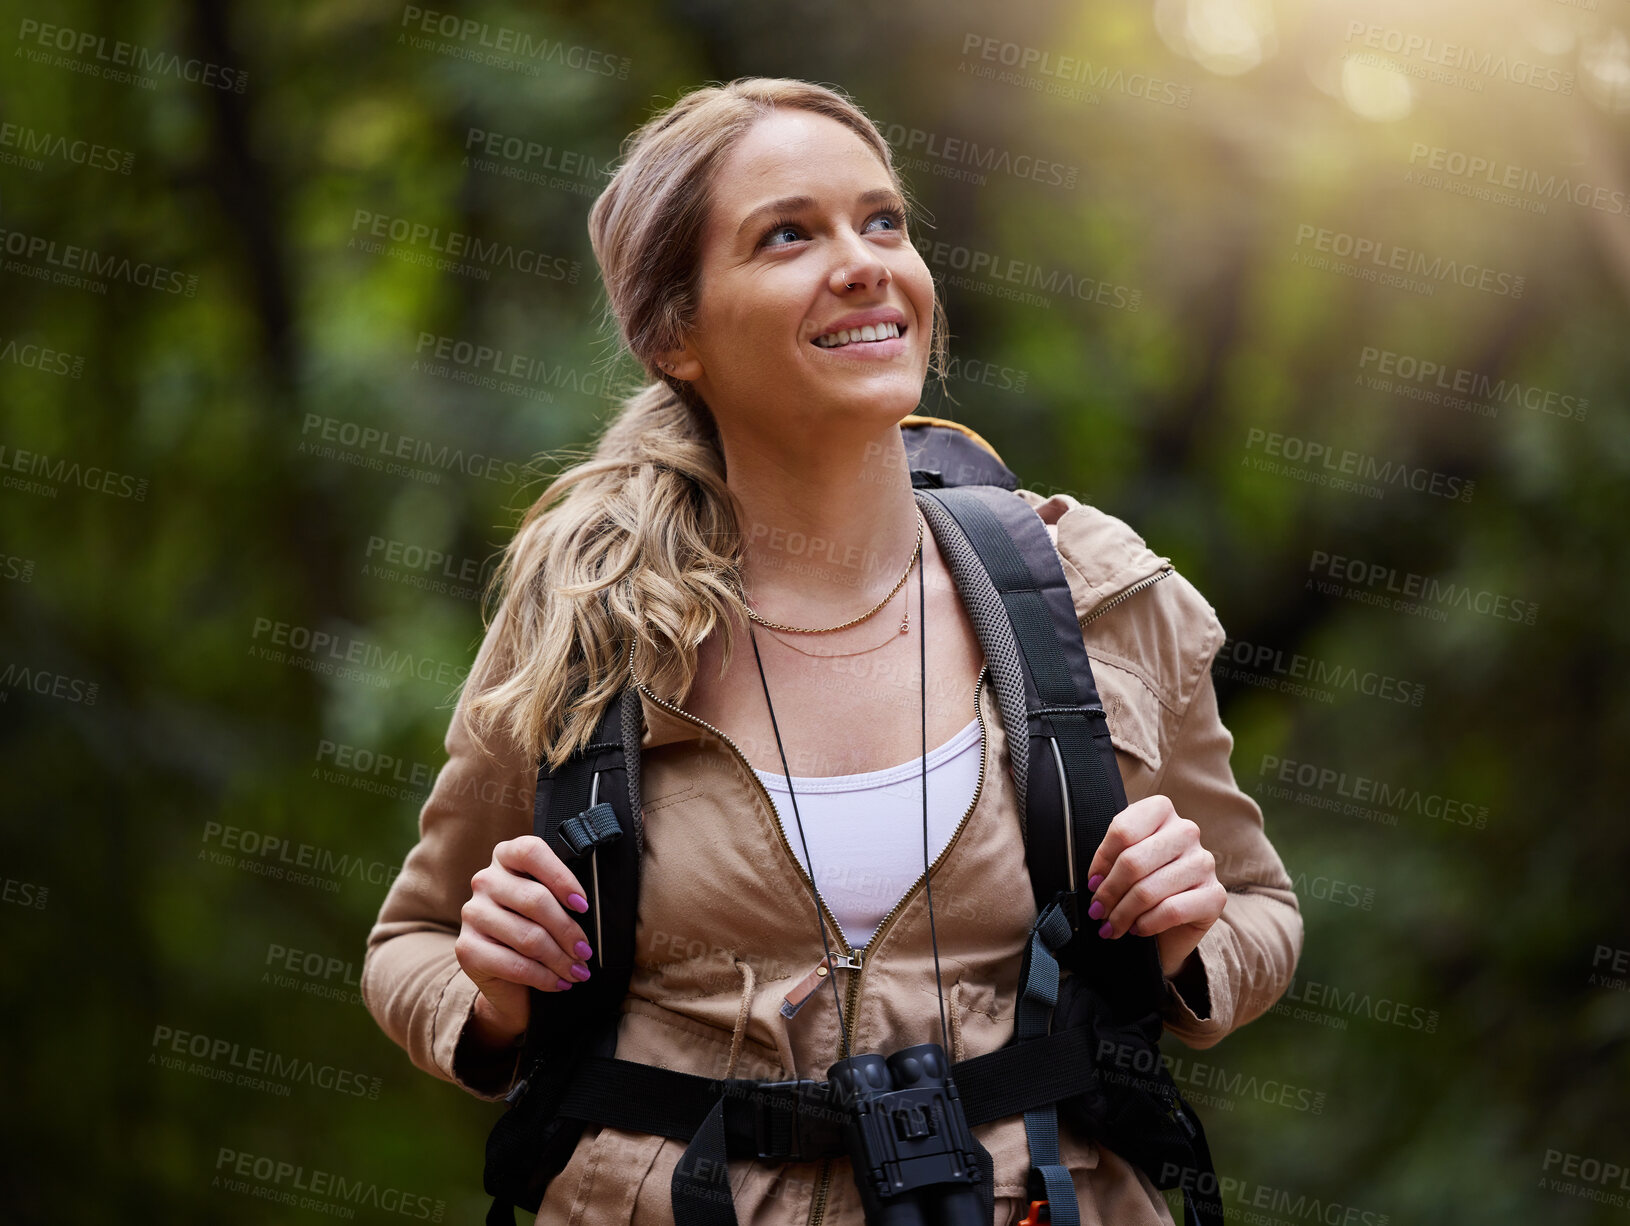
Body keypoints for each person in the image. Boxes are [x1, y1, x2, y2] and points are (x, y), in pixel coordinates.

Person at [361, 77, 1303, 1226]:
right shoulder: (588, 624)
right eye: (788, 234)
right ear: (674, 333)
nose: (864, 262)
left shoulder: (1092, 595)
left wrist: (1189, 936)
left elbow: (1261, 908)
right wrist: (494, 995)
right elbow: (409, 942)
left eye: (883, 221)